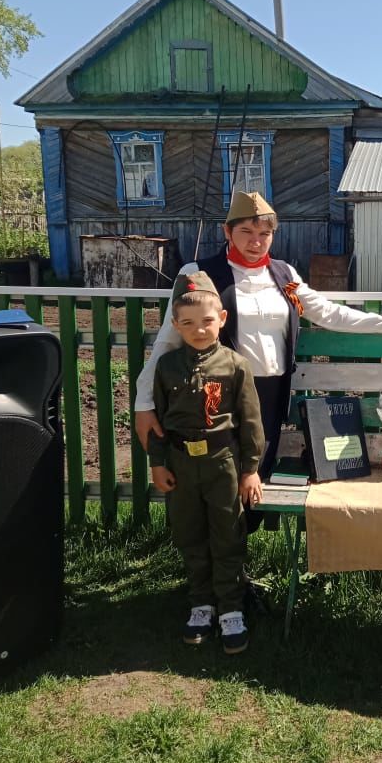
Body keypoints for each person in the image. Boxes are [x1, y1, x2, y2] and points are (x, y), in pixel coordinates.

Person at [135, 190, 382, 509]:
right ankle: (217, 550)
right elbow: (168, 341)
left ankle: (241, 546)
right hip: (218, 392)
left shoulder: (284, 278)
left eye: (264, 233)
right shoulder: (199, 274)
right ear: (227, 232)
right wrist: (144, 401)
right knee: (221, 476)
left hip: (271, 394)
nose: (255, 241)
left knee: (256, 475)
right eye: (246, 231)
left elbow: (326, 312)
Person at [147, 271, 265, 654]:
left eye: (207, 321)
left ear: (222, 320)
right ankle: (201, 604)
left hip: (222, 464)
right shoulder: (166, 368)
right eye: (188, 323)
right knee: (189, 533)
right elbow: (159, 422)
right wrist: (158, 463)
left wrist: (249, 469)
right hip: (181, 464)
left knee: (228, 534)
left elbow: (250, 422)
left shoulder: (235, 365)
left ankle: (231, 608)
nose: (199, 330)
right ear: (176, 325)